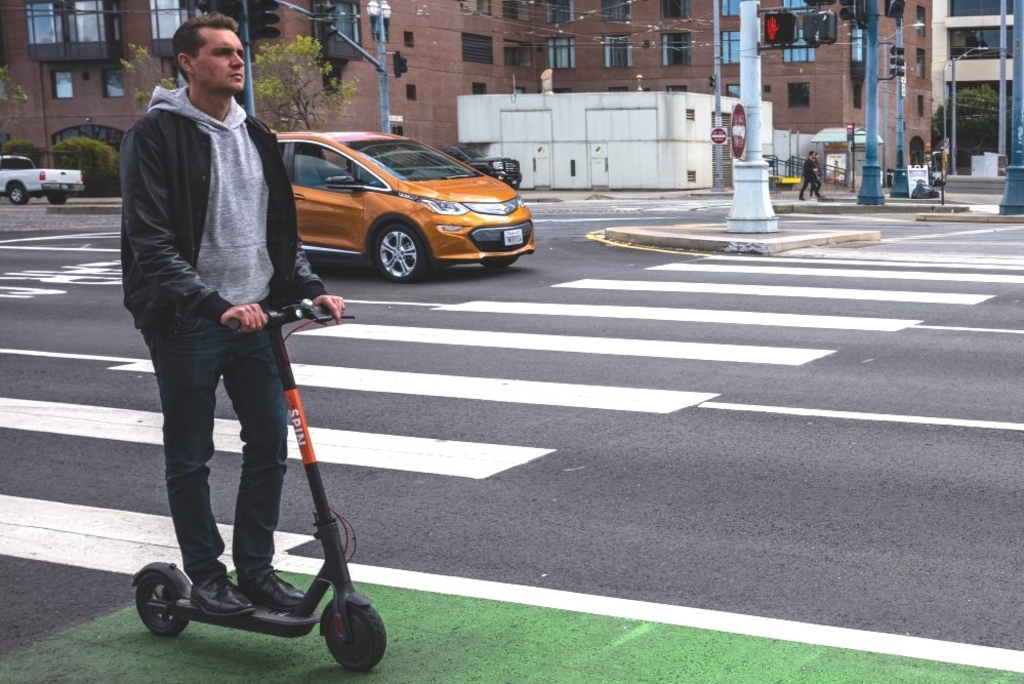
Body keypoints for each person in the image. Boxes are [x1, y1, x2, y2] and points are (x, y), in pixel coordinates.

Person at [120, 12, 345, 616]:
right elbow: (151, 241)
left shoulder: (259, 136)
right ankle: (206, 575)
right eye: (222, 53)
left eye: (240, 51)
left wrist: (310, 286)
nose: (238, 61)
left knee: (269, 442)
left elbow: (280, 233)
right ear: (188, 64)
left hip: (258, 322)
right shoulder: (156, 135)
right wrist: (214, 306)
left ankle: (256, 571)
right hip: (189, 322)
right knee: (191, 454)